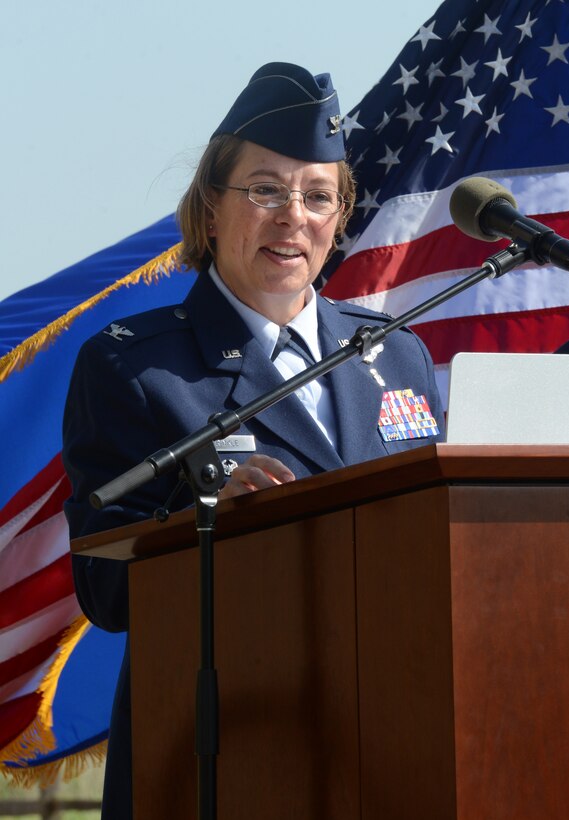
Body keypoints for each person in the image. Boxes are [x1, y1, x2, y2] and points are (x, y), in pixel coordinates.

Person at [63, 62, 445, 819]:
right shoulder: (136, 366)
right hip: (218, 757)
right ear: (209, 209)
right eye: (264, 190)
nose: (291, 215)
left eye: (316, 196)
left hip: (397, 746)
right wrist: (209, 525)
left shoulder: (399, 356)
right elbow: (103, 590)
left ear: (339, 220)